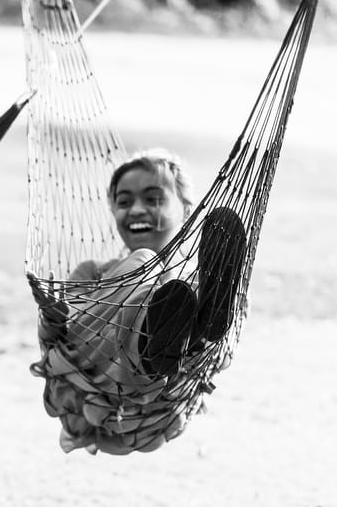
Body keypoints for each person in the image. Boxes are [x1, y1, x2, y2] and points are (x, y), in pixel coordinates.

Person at [30, 148, 246, 381]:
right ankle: (154, 340)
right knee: (142, 262)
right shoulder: (93, 272)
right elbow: (66, 344)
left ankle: (194, 337)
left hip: (167, 397)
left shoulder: (199, 280)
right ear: (113, 210)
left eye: (153, 199)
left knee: (200, 287)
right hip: (102, 388)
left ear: (186, 209)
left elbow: (224, 359)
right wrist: (53, 320)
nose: (135, 210)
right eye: (124, 202)